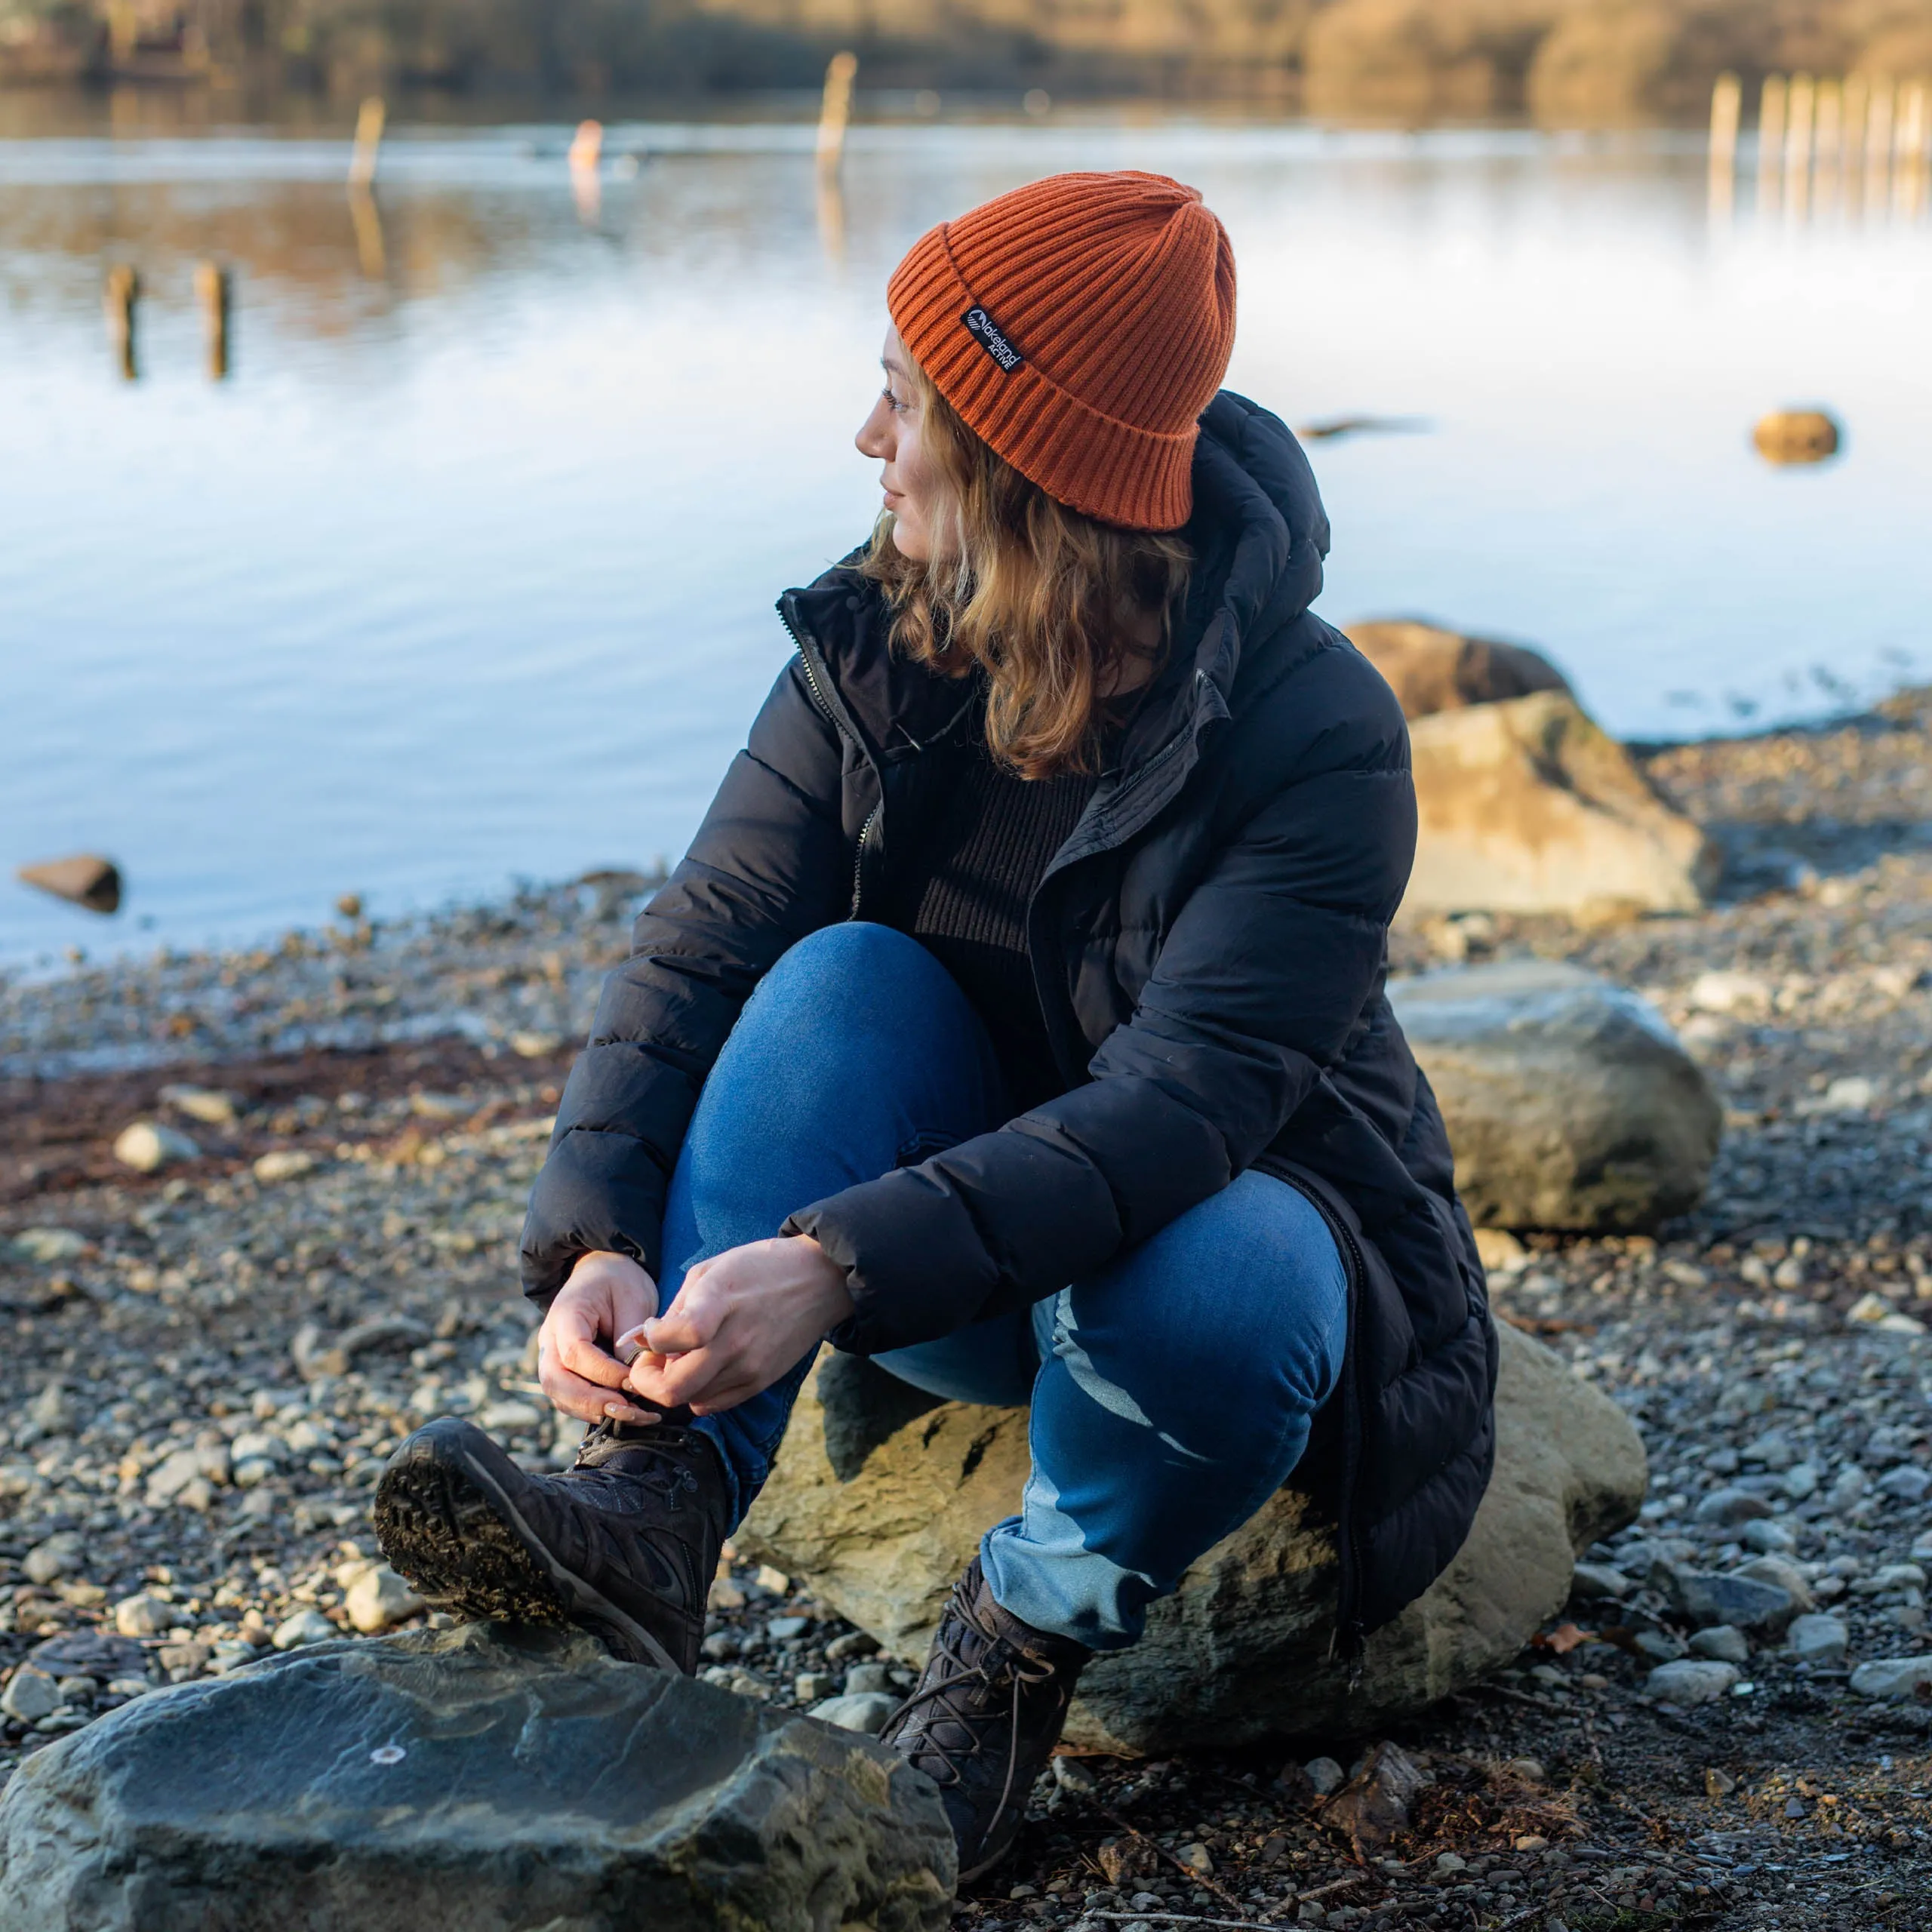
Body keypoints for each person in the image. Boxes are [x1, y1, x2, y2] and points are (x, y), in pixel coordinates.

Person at [375, 169, 1497, 1879]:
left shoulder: (1311, 729)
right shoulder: (883, 629)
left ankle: (1018, 1641)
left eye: (902, 401)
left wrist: (822, 1265)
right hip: (948, 1280)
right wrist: (593, 1234)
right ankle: (658, 1508)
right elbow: (705, 940)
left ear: (1020, 452)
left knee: (1230, 1274)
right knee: (833, 981)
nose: (863, 438)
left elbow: (1182, 1103)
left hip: (1192, 1256)